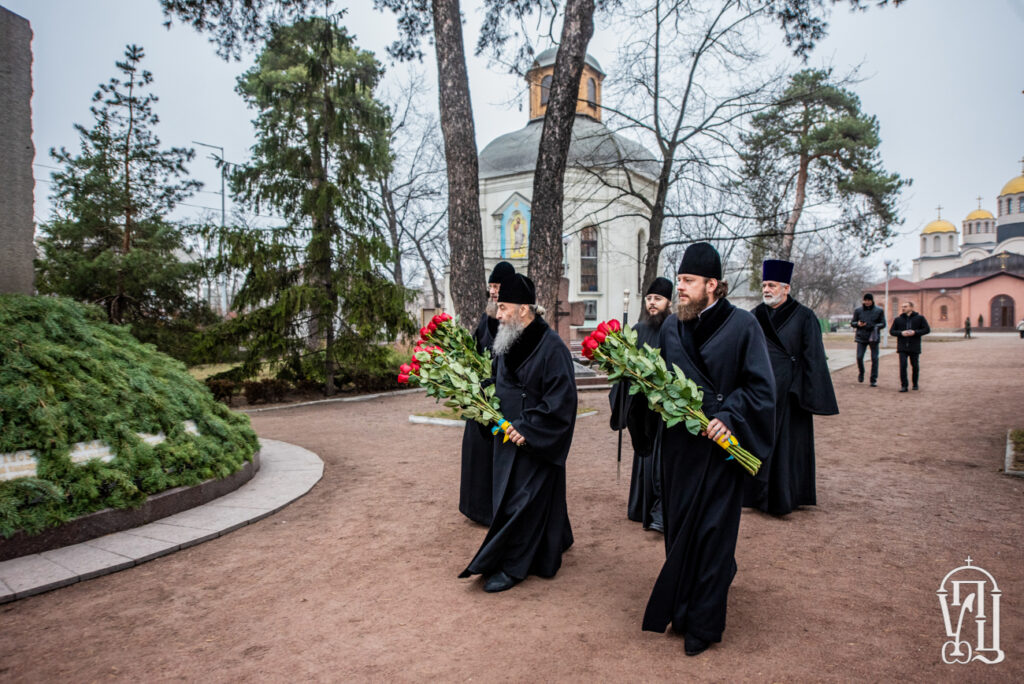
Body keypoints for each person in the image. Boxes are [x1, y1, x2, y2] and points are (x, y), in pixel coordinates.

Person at [642, 243, 775, 656]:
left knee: (714, 536)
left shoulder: (742, 326)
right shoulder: (671, 327)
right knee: (680, 529)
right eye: (679, 279)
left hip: (721, 450)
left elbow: (760, 389)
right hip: (680, 448)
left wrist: (730, 416)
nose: (679, 288)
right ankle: (681, 611)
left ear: (712, 285)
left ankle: (703, 623)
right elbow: (661, 383)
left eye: (687, 281)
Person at [459, 274, 576, 592]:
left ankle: (513, 566)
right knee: (508, 503)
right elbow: (500, 381)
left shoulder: (553, 348)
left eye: (504, 308)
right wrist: (481, 395)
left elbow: (562, 403)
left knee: (522, 505)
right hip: (505, 439)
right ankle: (519, 557)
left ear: (525, 309)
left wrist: (528, 430)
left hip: (531, 443)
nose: (498, 315)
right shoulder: (508, 339)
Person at [744, 259, 838, 516]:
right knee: (759, 443)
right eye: (764, 285)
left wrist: (803, 390)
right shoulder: (754, 316)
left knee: (788, 448)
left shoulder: (805, 316)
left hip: (791, 394)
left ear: (786, 288)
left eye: (771, 285)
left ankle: (787, 496)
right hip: (762, 393)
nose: (766, 289)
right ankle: (756, 496)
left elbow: (814, 358)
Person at [609, 276, 673, 532]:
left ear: (669, 301)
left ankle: (660, 510)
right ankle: (642, 507)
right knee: (644, 454)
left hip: (667, 407)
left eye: (658, 299)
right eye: (649, 299)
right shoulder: (637, 329)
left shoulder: (676, 328)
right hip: (643, 406)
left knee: (662, 459)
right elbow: (625, 369)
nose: (652, 304)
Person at [459, 261, 515, 525]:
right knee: (475, 447)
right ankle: (477, 508)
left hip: (503, 399)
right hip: (482, 398)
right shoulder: (486, 317)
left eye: (497, 286)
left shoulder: (516, 321)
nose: (493, 291)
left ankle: (496, 509)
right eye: (491, 286)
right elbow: (475, 348)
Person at [889, 300, 930, 392]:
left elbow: (927, 329)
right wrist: (901, 333)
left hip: (914, 346)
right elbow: (892, 331)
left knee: (915, 365)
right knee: (903, 366)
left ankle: (915, 383)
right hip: (902, 346)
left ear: (911, 307)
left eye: (905, 306)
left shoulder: (920, 318)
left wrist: (915, 332)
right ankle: (904, 386)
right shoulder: (898, 319)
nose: (903, 308)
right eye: (902, 306)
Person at [851, 293, 885, 386]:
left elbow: (883, 324)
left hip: (873, 337)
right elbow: (852, 323)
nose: (867, 302)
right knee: (859, 357)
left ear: (872, 300)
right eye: (865, 300)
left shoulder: (879, 311)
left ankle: (873, 379)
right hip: (861, 337)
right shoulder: (858, 310)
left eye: (868, 300)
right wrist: (858, 324)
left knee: (874, 359)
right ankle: (861, 372)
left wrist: (874, 326)